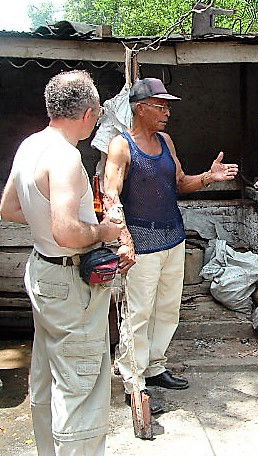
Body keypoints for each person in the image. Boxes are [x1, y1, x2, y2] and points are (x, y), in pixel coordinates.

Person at [0, 70, 125, 455]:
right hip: (71, 282)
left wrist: (50, 222)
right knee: (81, 386)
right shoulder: (67, 158)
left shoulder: (29, 146)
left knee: (47, 377)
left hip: (43, 272)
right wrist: (102, 232)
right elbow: (68, 233)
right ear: (88, 113)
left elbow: (8, 207)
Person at [104, 78, 238, 414]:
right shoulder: (122, 146)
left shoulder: (165, 141)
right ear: (140, 107)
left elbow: (180, 183)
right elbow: (110, 194)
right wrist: (124, 240)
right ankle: (133, 382)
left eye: (167, 106)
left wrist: (208, 177)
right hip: (142, 242)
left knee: (166, 310)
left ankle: (155, 367)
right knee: (138, 314)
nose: (167, 112)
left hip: (172, 237)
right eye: (160, 105)